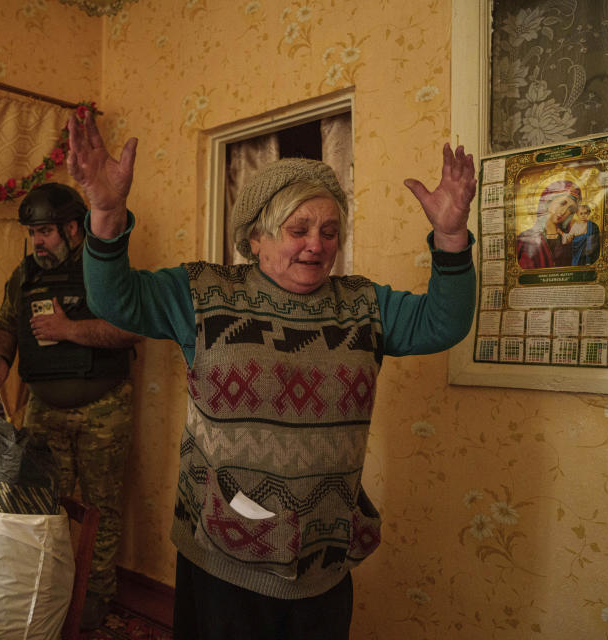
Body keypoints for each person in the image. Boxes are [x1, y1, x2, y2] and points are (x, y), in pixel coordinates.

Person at [67, 113, 477, 640]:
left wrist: (449, 236)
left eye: (330, 232)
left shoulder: (363, 305)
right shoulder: (204, 293)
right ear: (256, 237)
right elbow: (114, 299)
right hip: (222, 554)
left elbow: (442, 324)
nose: (317, 244)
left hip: (324, 555)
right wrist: (105, 212)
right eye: (298, 229)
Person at [0, 182, 141, 629]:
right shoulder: (25, 274)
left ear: (71, 227)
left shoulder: (105, 269)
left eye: (45, 231)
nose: (37, 242)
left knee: (100, 508)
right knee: (44, 506)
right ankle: (49, 592)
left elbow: (131, 330)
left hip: (102, 407)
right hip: (43, 407)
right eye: (32, 234)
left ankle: (96, 597)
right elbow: (7, 323)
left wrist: (70, 330)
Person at [516, 179, 580, 269]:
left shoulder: (569, 240)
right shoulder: (524, 239)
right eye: (562, 203)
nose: (563, 211)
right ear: (549, 200)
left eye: (571, 209)